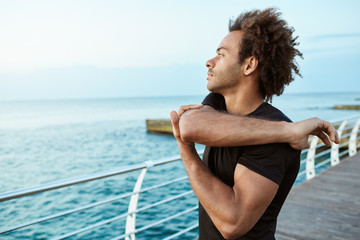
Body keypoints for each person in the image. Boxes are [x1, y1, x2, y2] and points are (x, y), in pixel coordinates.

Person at [170, 8, 340, 240]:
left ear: (249, 65)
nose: (209, 62)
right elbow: (188, 127)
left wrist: (186, 151)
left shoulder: (277, 141)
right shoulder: (219, 104)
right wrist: (289, 131)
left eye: (221, 55)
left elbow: (233, 223)